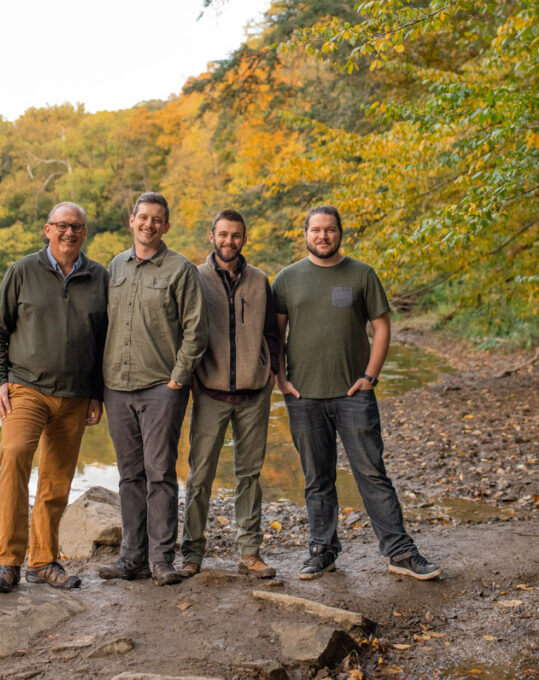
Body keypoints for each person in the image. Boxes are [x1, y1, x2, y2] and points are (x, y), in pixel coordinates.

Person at [273, 205, 441, 581]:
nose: (322, 236)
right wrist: (280, 379)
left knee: (372, 472)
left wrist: (370, 376)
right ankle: (323, 550)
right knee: (317, 477)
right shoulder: (286, 279)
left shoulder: (363, 274)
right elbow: (276, 335)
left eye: (329, 230)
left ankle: (399, 551)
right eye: (315, 230)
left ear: (340, 232)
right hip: (304, 398)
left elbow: (382, 327)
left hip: (354, 395)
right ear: (305, 234)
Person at [0, 201, 108, 593]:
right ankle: (6, 562)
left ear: (84, 233)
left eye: (76, 227)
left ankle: (43, 561)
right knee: (16, 457)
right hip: (27, 387)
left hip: (75, 395)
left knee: (57, 481)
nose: (69, 232)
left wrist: (97, 394)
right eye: (62, 226)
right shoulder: (22, 271)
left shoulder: (99, 277)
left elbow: (104, 340)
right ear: (47, 229)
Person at [99, 192, 209, 586]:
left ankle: (162, 560)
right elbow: (102, 326)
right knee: (129, 476)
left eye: (156, 219)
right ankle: (132, 558)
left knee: (160, 473)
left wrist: (178, 378)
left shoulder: (180, 270)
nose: (148, 224)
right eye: (142, 217)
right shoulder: (115, 266)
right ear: (131, 221)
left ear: (165, 225)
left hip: (162, 388)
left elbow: (196, 330)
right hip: (116, 387)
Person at [179, 209, 280, 579]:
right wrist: (189, 377)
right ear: (212, 237)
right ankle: (191, 552)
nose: (229, 241)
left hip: (254, 394)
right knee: (199, 475)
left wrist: (271, 370)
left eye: (235, 235)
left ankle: (249, 552)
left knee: (249, 475)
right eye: (223, 235)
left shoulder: (259, 280)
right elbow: (184, 330)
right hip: (209, 391)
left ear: (244, 239)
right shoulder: (195, 278)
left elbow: (272, 332)